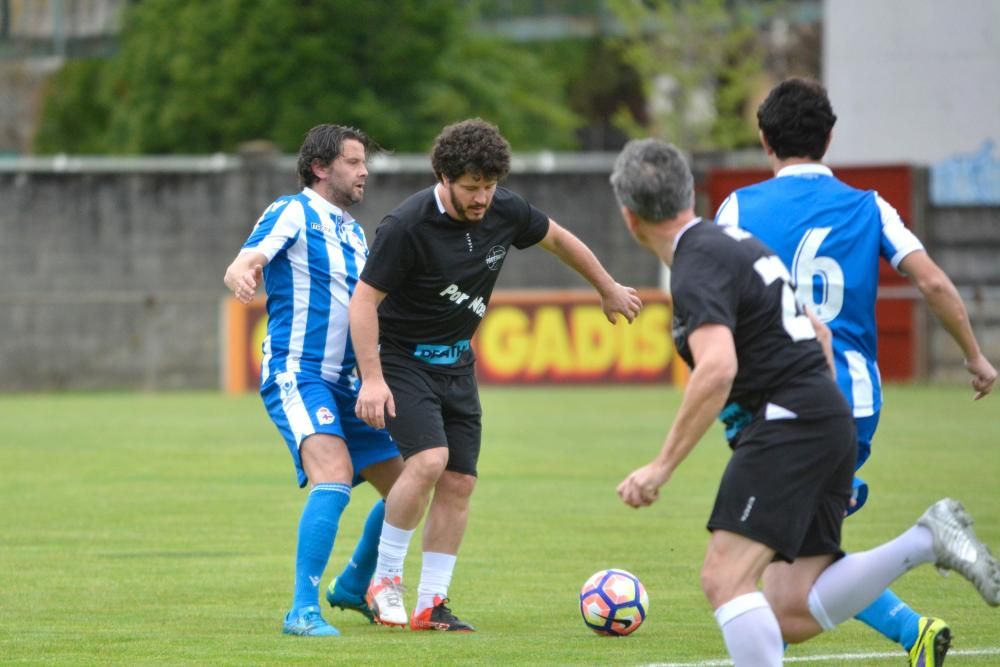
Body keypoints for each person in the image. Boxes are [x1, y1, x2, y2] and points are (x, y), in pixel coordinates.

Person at [610, 138, 1000, 667]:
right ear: (688, 198)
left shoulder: (697, 261)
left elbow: (717, 368)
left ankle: (928, 541)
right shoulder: (738, 243)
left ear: (629, 218)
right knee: (790, 607)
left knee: (724, 577)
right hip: (823, 414)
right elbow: (817, 333)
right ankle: (927, 539)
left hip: (791, 424)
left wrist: (661, 466)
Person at [714, 77, 998, 666]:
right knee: (791, 586)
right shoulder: (870, 205)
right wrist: (974, 355)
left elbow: (716, 297)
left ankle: (926, 543)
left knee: (750, 579)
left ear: (764, 140)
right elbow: (933, 281)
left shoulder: (739, 208)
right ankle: (915, 626)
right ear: (830, 137)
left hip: (784, 402)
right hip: (855, 400)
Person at [349, 118, 643, 631]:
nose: (483, 197)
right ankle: (384, 581)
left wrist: (607, 286)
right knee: (429, 462)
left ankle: (430, 604)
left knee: (460, 481)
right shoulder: (406, 225)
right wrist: (373, 379)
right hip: (402, 358)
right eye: (471, 187)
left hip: (457, 361)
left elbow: (559, 240)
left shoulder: (504, 208)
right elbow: (364, 301)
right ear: (444, 176)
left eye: (489, 185)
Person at [223, 124, 405, 637]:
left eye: (364, 161)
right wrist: (242, 271)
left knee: (410, 484)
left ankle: (353, 585)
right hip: (299, 373)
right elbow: (249, 256)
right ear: (321, 168)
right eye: (353, 161)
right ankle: (302, 610)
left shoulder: (352, 230)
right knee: (334, 471)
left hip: (352, 382)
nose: (364, 170)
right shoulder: (292, 211)